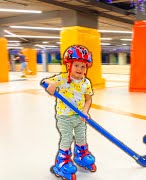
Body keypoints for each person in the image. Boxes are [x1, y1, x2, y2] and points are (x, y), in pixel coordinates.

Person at [42, 45, 96, 179]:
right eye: (76, 65)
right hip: (64, 117)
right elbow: (45, 81)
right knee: (67, 138)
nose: (80, 69)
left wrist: (85, 112)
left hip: (79, 116)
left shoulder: (86, 83)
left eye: (83, 66)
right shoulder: (62, 78)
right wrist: (50, 84)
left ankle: (81, 156)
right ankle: (61, 163)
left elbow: (88, 100)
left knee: (81, 138)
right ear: (69, 66)